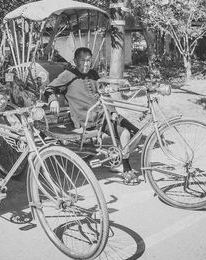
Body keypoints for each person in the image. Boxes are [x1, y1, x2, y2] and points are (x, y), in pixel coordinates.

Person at [44, 47, 139, 182]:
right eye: (83, 60)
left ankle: (116, 160)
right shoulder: (68, 74)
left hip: (104, 114)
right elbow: (49, 88)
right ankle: (126, 168)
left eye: (89, 60)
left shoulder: (94, 74)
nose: (87, 64)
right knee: (125, 134)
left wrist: (112, 111)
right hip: (87, 119)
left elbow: (103, 94)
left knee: (136, 133)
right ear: (76, 61)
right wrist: (53, 101)